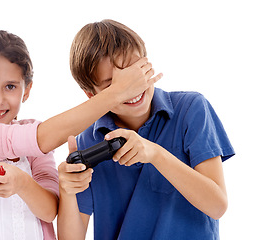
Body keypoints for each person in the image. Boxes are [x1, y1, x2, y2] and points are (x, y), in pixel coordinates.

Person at [0, 30, 162, 240]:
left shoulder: (35, 138)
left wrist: (21, 183)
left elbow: (49, 211)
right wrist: (117, 92)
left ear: (26, 91)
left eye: (10, 87)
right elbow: (41, 138)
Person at [57, 19, 235, 240]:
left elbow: (217, 206)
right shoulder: (88, 141)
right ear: (92, 96)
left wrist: (155, 154)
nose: (130, 88)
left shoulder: (191, 109)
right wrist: (67, 190)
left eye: (134, 72)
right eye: (112, 84)